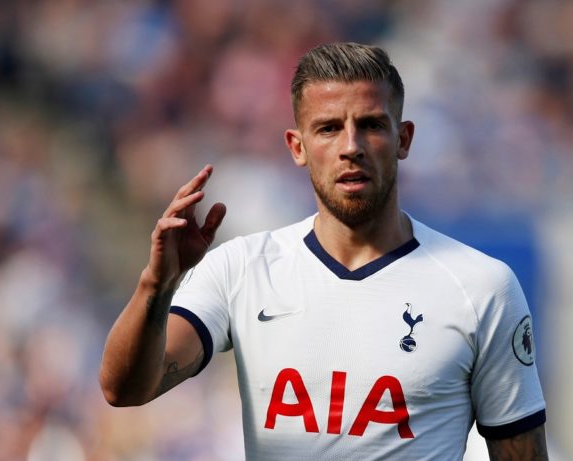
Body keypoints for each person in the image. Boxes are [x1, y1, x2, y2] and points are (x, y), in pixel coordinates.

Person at [99, 42, 548, 460]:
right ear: (298, 147)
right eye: (329, 128)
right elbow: (125, 389)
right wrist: (157, 284)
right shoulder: (242, 269)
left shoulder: (481, 287)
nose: (351, 147)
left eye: (371, 125)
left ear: (404, 139)